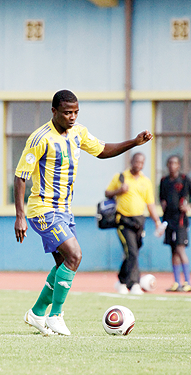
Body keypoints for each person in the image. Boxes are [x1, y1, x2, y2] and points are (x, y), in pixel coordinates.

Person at [14, 89, 155, 336]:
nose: (72, 116)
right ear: (54, 111)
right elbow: (20, 176)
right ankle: (56, 316)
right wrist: (20, 215)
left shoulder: (78, 132)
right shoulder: (40, 139)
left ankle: (37, 313)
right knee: (75, 255)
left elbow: (102, 150)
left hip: (65, 210)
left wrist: (134, 142)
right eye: (67, 112)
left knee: (62, 264)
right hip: (43, 209)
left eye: (76, 112)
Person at [105, 152, 162, 295]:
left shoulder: (145, 181)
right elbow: (107, 193)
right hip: (123, 221)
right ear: (131, 161)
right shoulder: (121, 177)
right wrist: (120, 190)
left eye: (142, 162)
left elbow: (150, 204)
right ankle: (134, 283)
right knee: (132, 251)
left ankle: (121, 280)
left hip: (139, 221)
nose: (139, 164)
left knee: (133, 252)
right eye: (136, 161)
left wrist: (157, 222)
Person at [159, 155, 191, 292]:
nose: (172, 165)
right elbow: (161, 197)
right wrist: (163, 205)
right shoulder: (164, 181)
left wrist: (188, 206)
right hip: (168, 220)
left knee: (180, 249)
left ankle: (187, 282)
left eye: (175, 163)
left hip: (180, 221)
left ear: (179, 165)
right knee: (173, 251)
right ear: (167, 165)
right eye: (170, 163)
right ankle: (177, 282)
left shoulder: (184, 180)